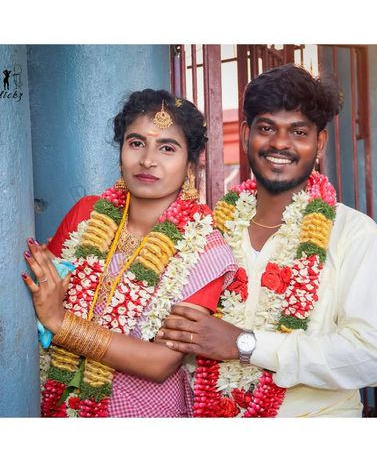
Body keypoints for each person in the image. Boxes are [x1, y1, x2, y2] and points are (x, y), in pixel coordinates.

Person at [158, 64, 377, 418]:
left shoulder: (355, 233)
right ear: (248, 132)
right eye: (267, 128)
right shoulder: (208, 231)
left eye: (298, 131)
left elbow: (367, 359)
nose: (281, 143)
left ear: (320, 142)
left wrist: (244, 345)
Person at [22, 89, 236, 417]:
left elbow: (160, 361)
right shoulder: (87, 213)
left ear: (190, 162)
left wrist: (61, 323)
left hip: (146, 411)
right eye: (136, 143)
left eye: (167, 148)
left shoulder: (203, 246)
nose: (147, 160)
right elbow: (40, 290)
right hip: (62, 402)